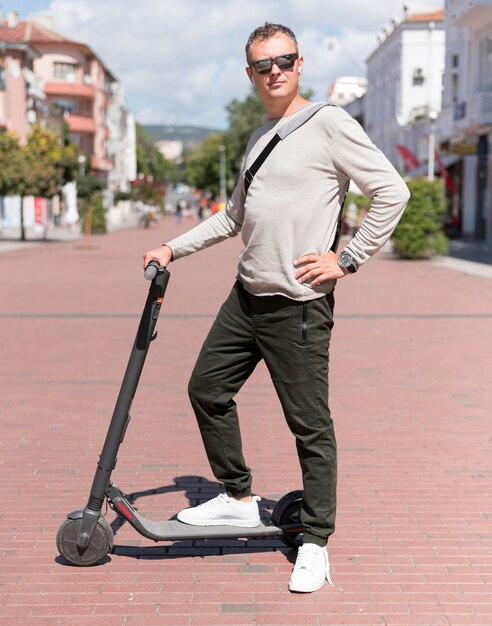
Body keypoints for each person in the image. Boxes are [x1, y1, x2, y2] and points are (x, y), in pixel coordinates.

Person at [144, 22, 410, 593]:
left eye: (284, 60)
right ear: (251, 74)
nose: (275, 71)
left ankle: (314, 540)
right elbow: (233, 217)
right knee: (207, 390)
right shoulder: (258, 138)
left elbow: (393, 190)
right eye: (264, 64)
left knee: (309, 426)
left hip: (300, 306)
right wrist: (173, 246)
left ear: (300, 64)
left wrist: (349, 257)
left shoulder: (330, 123)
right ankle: (238, 497)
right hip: (246, 298)